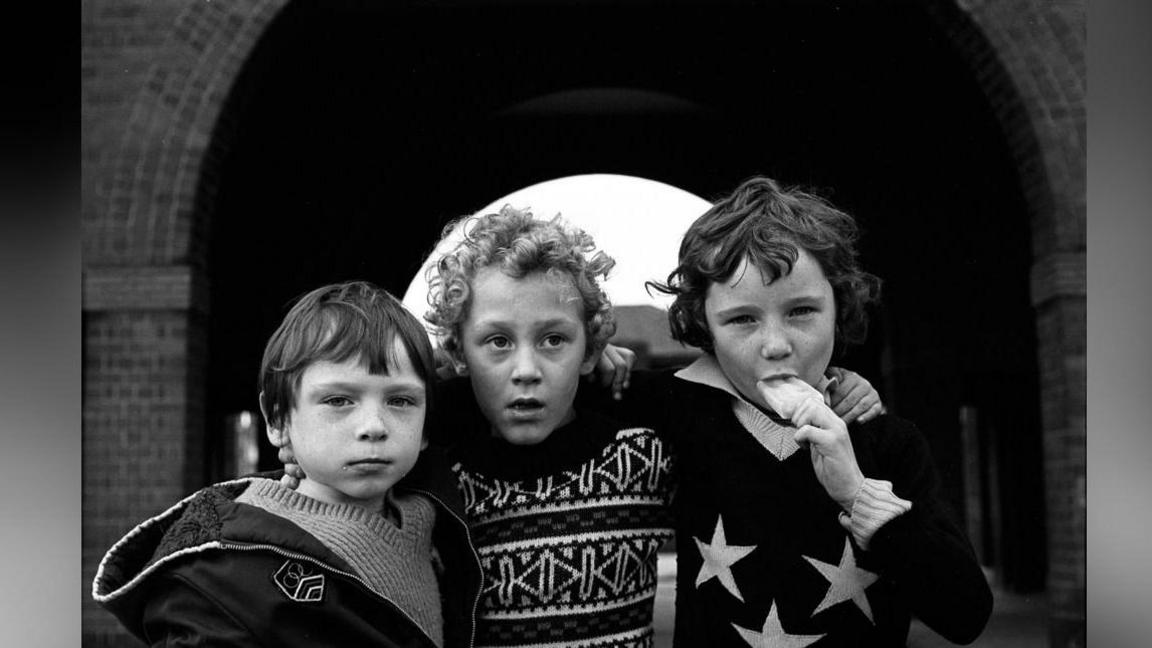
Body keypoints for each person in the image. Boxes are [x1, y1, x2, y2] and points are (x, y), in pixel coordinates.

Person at [278, 208, 883, 647]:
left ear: (591, 349)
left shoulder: (647, 454)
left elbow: (743, 388)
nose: (525, 371)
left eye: (554, 340)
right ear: (457, 356)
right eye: (495, 342)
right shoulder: (434, 466)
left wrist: (833, 383)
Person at [616, 175, 994, 646]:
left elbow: (966, 615)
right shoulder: (667, 410)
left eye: (801, 312)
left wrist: (858, 496)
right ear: (704, 326)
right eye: (741, 319)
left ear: (840, 307)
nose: (776, 346)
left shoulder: (887, 442)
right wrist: (599, 363)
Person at [91, 281, 482, 647]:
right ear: (278, 420)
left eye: (400, 401)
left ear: (428, 423)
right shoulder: (222, 570)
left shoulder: (442, 531)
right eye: (338, 400)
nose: (374, 427)